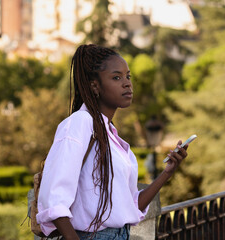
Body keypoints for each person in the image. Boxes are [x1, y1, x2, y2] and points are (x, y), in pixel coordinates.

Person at [36, 44, 188, 240]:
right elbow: (54, 200)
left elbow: (131, 206)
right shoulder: (80, 123)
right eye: (116, 77)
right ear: (95, 85)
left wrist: (167, 173)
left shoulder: (110, 134)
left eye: (128, 76)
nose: (127, 84)